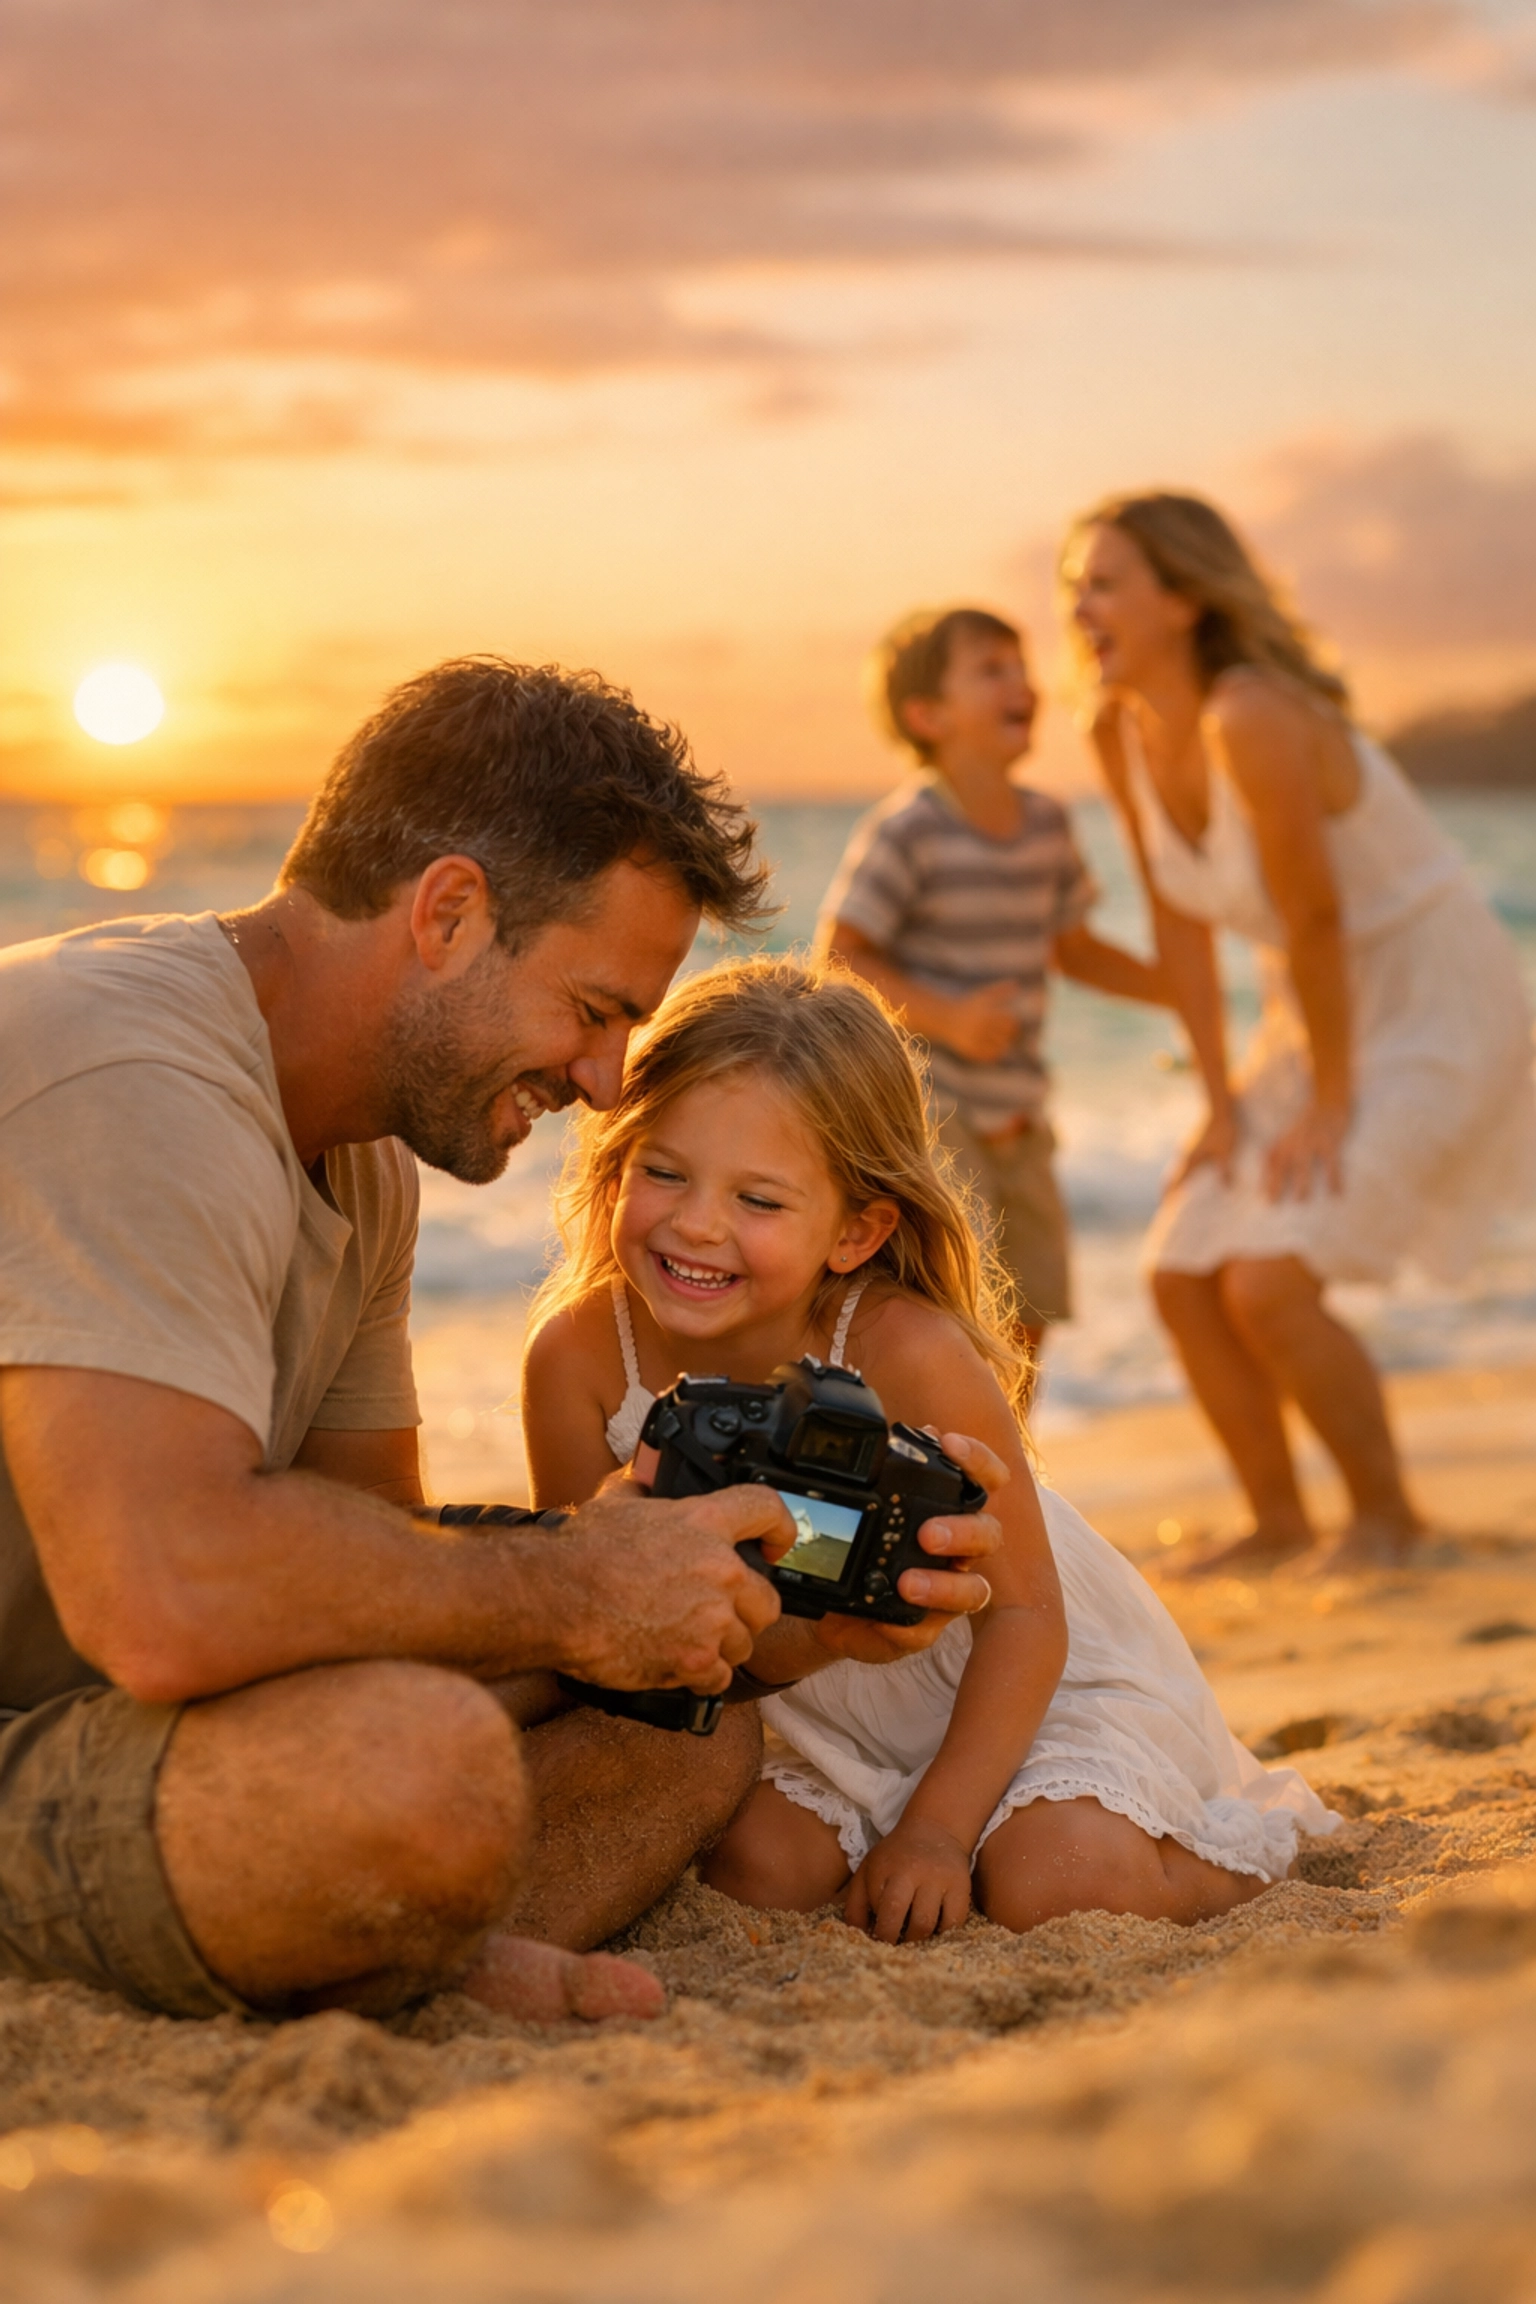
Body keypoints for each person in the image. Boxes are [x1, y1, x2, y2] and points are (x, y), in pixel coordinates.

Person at [0, 658, 1003, 2026]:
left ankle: (402, 1946)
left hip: (103, 1696)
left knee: (690, 1736)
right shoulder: (132, 1077)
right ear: (450, 913)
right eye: (595, 1013)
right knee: (417, 1769)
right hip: (67, 1695)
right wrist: (580, 1588)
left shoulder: (364, 1163)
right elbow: (166, 1597)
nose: (605, 1087)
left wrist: (779, 1613)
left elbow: (368, 1576)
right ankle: (412, 1940)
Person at [522, 957, 1334, 1943]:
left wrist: (940, 1834)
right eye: (664, 1171)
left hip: (1011, 1688)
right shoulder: (579, 1361)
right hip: (808, 1703)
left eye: (760, 1202)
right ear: (616, 1160)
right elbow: (601, 1630)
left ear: (856, 1231)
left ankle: (1223, 1868)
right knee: (752, 1871)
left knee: (1050, 1881)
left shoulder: (899, 1348)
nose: (697, 1224)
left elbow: (1029, 1616)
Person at [1062, 493, 1536, 1575]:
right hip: (1310, 1005)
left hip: (1429, 1001)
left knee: (1270, 1280)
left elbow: (1319, 918)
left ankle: (1390, 1523)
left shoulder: (1254, 716)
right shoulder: (1116, 730)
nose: (1078, 608)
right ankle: (1279, 1523)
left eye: (1103, 582)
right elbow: (1179, 921)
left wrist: (1329, 1101)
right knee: (1182, 1274)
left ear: (1181, 599)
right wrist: (1221, 1104)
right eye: (1072, 588)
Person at [816, 606, 1169, 1370]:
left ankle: (1006, 1472)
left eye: (1022, 667)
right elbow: (839, 958)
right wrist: (949, 1016)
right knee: (954, 1306)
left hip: (1022, 1114)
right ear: (927, 715)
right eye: (991, 670)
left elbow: (1073, 948)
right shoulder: (909, 829)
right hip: (937, 1113)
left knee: (1031, 1312)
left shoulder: (1048, 824)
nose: (1023, 685)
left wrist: (1177, 990)